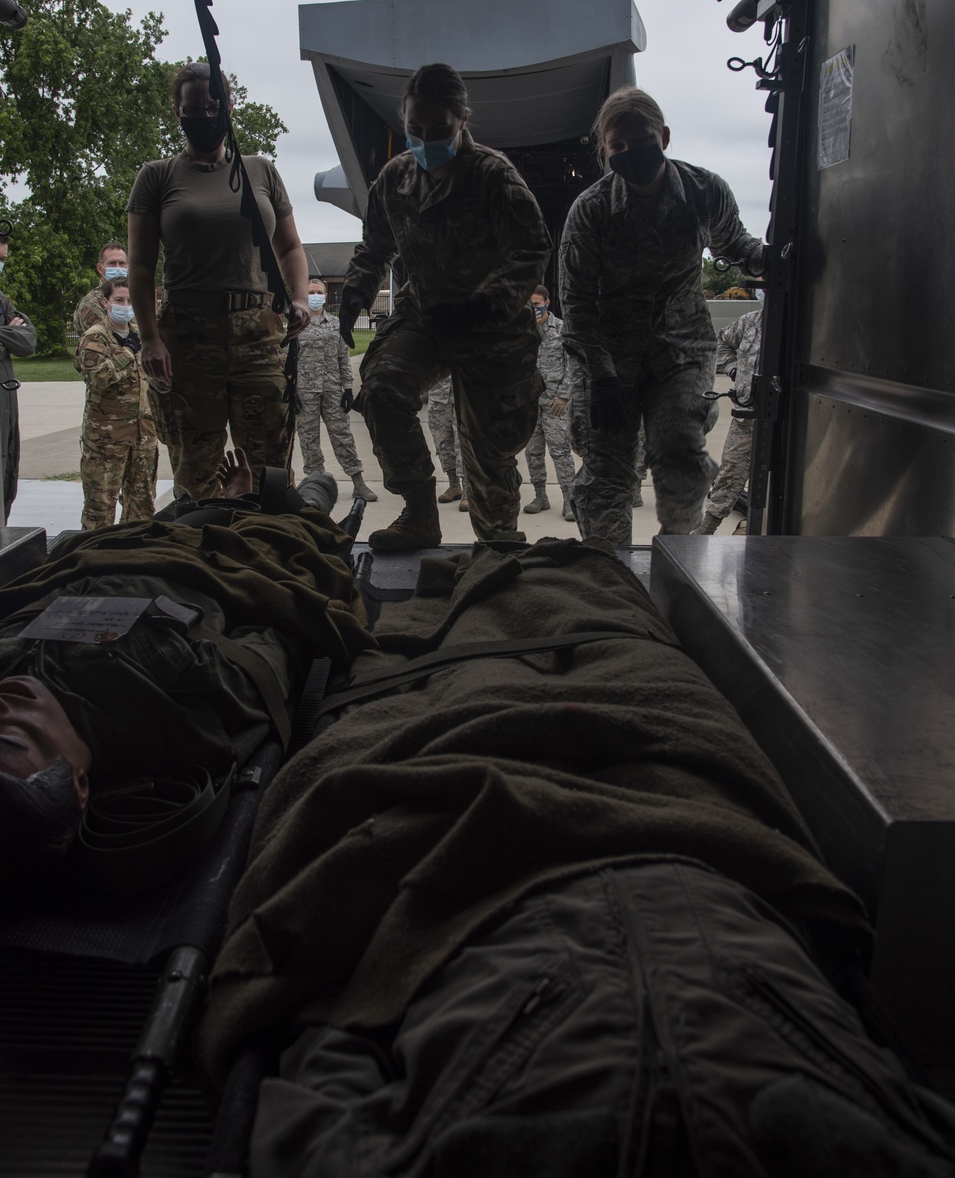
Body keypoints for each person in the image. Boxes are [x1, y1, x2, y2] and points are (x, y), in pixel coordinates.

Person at [203, 539, 955, 1178]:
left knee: (479, 676)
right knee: (586, 645)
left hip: (498, 887)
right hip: (673, 846)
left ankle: (541, 588)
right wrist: (342, 1008)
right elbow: (308, 1091)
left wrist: (343, 1005)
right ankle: (555, 583)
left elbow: (304, 1092)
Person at [0, 452, 372, 903]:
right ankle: (296, 495)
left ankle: (234, 499)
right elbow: (284, 621)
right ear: (79, 785)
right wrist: (282, 535)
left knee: (193, 509)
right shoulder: (180, 696)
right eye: (11, 735)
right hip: (225, 559)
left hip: (122, 544)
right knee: (297, 515)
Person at [338, 63, 550, 551]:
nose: (426, 140)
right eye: (415, 130)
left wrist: (483, 305)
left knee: (488, 452)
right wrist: (355, 291)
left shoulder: (493, 175)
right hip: (427, 317)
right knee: (382, 389)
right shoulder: (396, 179)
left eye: (440, 131)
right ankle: (419, 513)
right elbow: (374, 247)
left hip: (492, 329)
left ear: (464, 120)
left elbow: (533, 249)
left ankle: (498, 544)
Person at [560, 87, 765, 545]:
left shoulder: (704, 191)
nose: (631, 153)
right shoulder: (591, 210)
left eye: (642, 139)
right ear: (607, 150)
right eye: (618, 147)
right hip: (608, 353)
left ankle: (678, 557)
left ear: (665, 136)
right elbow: (575, 305)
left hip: (681, 350)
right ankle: (609, 571)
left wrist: (770, 260)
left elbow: (736, 245)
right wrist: (600, 377)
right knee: (606, 469)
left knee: (679, 452)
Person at [126, 62, 312, 502]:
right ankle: (200, 555)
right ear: (178, 113)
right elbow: (139, 265)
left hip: (259, 333)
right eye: (194, 107)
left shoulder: (260, 171)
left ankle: (264, 552)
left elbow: (289, 248)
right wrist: (150, 338)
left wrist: (300, 298)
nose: (205, 115)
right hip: (187, 337)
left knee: (268, 464)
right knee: (196, 466)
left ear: (229, 108)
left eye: (213, 105)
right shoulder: (156, 176)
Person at [74, 276, 158, 530]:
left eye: (130, 300)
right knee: (100, 507)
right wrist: (126, 353)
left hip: (143, 438)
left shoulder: (142, 334)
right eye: (119, 300)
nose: (125, 305)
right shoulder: (96, 337)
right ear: (106, 302)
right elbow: (98, 377)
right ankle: (93, 559)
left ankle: (134, 557)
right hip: (106, 441)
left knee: (142, 507)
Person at [296, 278, 377, 503]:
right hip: (304, 391)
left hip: (332, 388)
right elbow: (287, 360)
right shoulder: (296, 323)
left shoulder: (335, 324)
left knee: (343, 436)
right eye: (310, 292)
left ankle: (358, 483)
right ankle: (316, 483)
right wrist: (290, 389)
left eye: (319, 292)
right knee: (308, 438)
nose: (315, 296)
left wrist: (348, 389)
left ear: (325, 294)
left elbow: (343, 358)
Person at [695, 304, 763, 534]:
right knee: (731, 472)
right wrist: (733, 368)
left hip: (793, 423)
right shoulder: (750, 321)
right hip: (747, 418)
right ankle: (706, 530)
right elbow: (722, 342)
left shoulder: (804, 328)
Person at [0, 232, 37, 514]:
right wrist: (5, 336)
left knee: (6, 472)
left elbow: (28, 341)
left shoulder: (0, 299)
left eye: (2, 259)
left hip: (5, 401)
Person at [522, 285, 575, 520]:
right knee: (532, 453)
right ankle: (540, 496)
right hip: (530, 403)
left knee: (560, 452)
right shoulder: (524, 332)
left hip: (555, 403)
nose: (534, 309)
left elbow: (574, 366)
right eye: (530, 305)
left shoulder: (562, 329)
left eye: (537, 304)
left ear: (547, 302)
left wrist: (564, 395)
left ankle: (569, 501)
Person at [73, 239, 128, 338]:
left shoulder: (133, 298)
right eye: (112, 263)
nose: (118, 267)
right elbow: (106, 340)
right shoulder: (90, 303)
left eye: (122, 263)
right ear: (100, 268)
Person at [426, 376, 466, 508]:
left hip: (465, 395)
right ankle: (454, 486)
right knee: (442, 443)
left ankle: (469, 491)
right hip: (438, 393)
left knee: (464, 444)